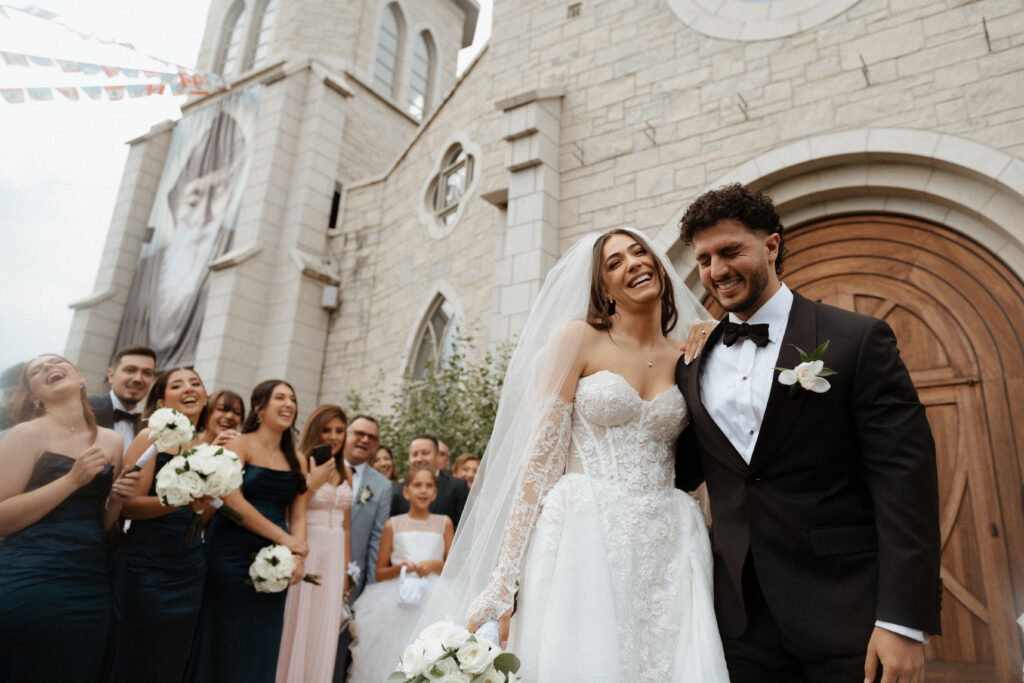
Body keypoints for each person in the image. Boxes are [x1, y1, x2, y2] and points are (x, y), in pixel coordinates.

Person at [405, 229, 725, 682]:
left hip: (670, 541)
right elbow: (539, 462)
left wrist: (724, 336)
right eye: (614, 263)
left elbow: (714, 456)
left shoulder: (690, 355)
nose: (633, 263)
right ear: (603, 289)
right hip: (584, 531)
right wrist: (504, 577)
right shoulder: (579, 340)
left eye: (639, 252)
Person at [674, 184, 941, 682]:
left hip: (850, 612)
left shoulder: (857, 340)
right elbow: (679, 469)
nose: (717, 270)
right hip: (737, 622)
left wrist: (903, 620)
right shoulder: (690, 362)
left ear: (771, 246)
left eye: (731, 251)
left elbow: (907, 485)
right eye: (705, 258)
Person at [0, 354, 139, 681]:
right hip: (29, 576)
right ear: (34, 396)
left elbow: (105, 527)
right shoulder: (25, 434)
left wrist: (118, 500)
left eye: (55, 363)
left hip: (89, 584)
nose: (48, 368)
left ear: (80, 378)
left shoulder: (112, 441)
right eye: (37, 371)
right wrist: (71, 480)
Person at [192, 380, 309, 683]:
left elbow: (298, 513)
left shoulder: (296, 459)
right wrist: (283, 538)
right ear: (259, 407)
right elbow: (231, 499)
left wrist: (298, 557)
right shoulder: (238, 444)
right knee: (225, 639)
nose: (288, 404)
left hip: (274, 561)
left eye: (293, 399)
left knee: (261, 642)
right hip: (230, 553)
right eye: (279, 398)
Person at [115, 111, 245, 368]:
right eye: (196, 197)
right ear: (177, 199)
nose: (204, 213)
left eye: (217, 193)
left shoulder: (235, 246)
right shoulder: (146, 268)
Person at [109, 366, 211, 682]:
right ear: (163, 402)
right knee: (137, 655)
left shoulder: (208, 448)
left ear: (205, 397)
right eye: (178, 385)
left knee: (171, 658)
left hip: (190, 565)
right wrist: (179, 502)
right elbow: (127, 507)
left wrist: (202, 506)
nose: (189, 389)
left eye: (196, 383)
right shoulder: (150, 438)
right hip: (147, 565)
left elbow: (201, 513)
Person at [348, 464, 454, 683]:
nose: (423, 490)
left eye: (428, 486)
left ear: (435, 492)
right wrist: (400, 568)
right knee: (392, 652)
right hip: (395, 598)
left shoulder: (444, 523)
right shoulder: (392, 525)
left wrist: (434, 564)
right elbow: (379, 572)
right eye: (417, 485)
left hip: (434, 597)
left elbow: (453, 568)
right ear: (406, 491)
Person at [277, 405, 353, 683]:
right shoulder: (301, 460)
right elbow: (291, 511)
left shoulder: (346, 471)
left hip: (334, 556)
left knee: (324, 624)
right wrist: (314, 480)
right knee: (299, 618)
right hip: (309, 546)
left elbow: (346, 524)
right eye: (326, 430)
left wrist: (346, 569)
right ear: (314, 431)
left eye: (339, 431)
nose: (333, 436)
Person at [331, 415, 392, 683]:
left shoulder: (382, 485)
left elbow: (376, 541)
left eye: (371, 437)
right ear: (346, 434)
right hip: (315, 567)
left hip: (350, 582)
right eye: (359, 433)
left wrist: (367, 591)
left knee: (338, 653)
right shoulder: (322, 466)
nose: (365, 440)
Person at [88, 345, 157, 455]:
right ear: (111, 376)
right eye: (130, 370)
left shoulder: (150, 426)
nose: (138, 379)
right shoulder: (87, 408)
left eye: (147, 373)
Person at [390, 434, 468, 529]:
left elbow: (464, 528)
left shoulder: (457, 486)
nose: (419, 459)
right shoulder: (396, 491)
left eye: (425, 453)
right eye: (414, 454)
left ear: (437, 455)